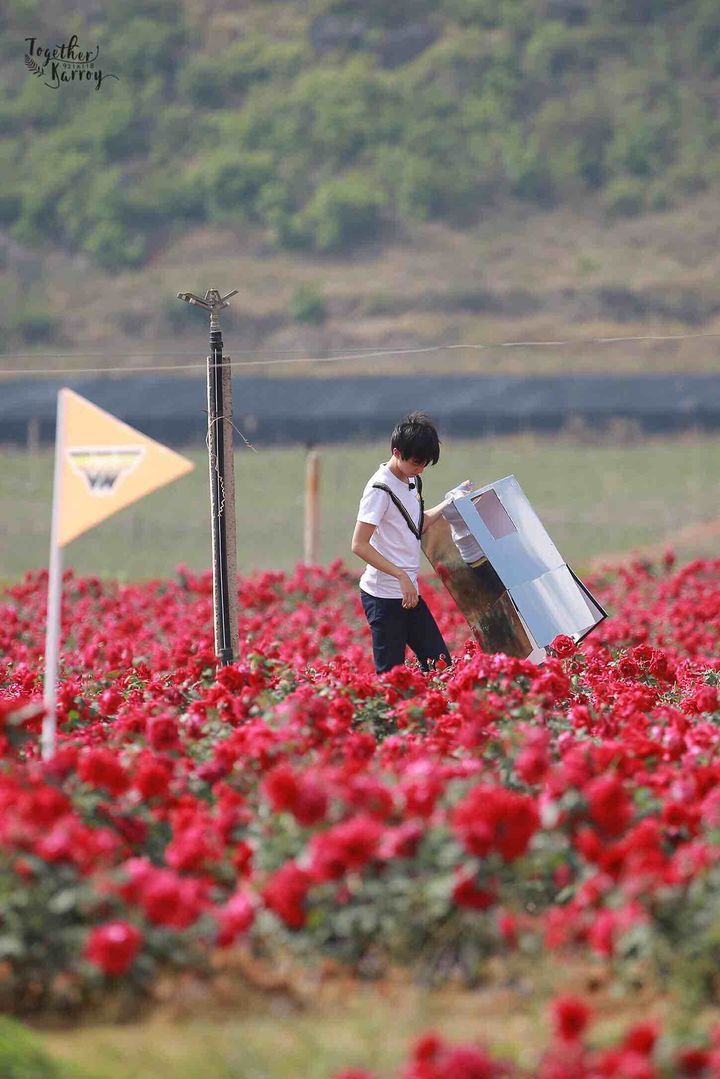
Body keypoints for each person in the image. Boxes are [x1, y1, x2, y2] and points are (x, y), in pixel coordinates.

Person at [351, 412, 451, 674]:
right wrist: (400, 575)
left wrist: (449, 502)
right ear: (397, 452)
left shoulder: (412, 481)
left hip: (409, 593)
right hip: (383, 596)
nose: (420, 469)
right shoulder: (378, 490)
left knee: (440, 664)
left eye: (425, 463)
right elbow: (359, 544)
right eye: (417, 462)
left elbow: (413, 526)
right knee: (391, 676)